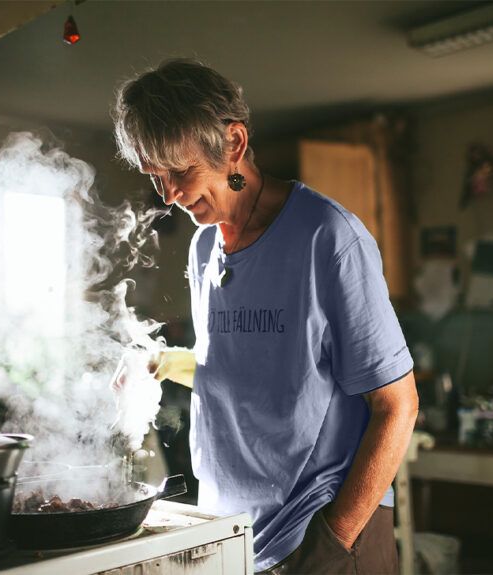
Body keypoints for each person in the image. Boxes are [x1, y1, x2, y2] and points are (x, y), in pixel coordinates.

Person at [113, 59, 418, 574]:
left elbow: (398, 407)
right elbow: (242, 370)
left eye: (181, 172)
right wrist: (160, 362)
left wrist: (331, 544)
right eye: (156, 177)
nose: (170, 196)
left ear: (232, 144)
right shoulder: (203, 246)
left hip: (321, 534)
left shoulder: (327, 236)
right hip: (232, 534)